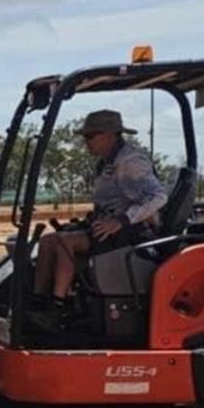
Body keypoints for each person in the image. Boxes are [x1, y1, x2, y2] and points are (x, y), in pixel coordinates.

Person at [29, 109, 168, 330]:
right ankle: (37, 304)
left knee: (67, 243)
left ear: (110, 134)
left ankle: (57, 308)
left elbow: (158, 196)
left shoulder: (130, 162)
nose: (85, 142)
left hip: (131, 232)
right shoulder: (107, 162)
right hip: (108, 227)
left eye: (90, 136)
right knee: (48, 241)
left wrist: (121, 221)